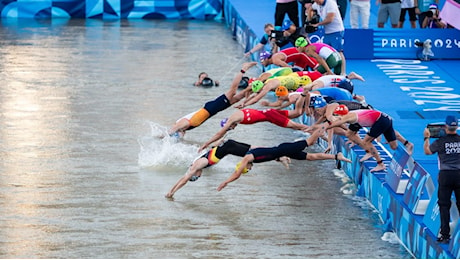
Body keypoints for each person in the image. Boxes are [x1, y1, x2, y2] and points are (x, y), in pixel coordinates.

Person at [216, 125, 352, 191]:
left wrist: (226, 182)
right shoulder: (252, 157)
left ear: (244, 166)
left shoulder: (247, 158)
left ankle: (326, 125)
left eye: (247, 169)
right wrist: (281, 159)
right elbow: (268, 153)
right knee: (311, 157)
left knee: (310, 141)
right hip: (282, 150)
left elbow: (237, 174)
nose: (250, 169)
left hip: (285, 149)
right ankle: (336, 156)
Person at [165, 138, 292, 198]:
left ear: (195, 174)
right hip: (228, 145)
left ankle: (281, 157)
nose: (200, 176)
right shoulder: (198, 164)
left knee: (255, 156)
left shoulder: (199, 164)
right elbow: (184, 177)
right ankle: (280, 157)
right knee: (256, 150)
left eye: (197, 177)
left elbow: (184, 179)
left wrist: (172, 192)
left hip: (229, 148)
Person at [169, 62, 257, 136]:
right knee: (239, 97)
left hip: (209, 109)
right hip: (212, 110)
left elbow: (173, 130)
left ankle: (243, 69)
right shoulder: (185, 127)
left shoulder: (181, 123)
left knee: (232, 91)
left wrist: (167, 135)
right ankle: (257, 85)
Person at [326, 109, 413, 172]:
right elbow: (349, 132)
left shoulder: (348, 117)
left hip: (381, 121)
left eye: (336, 116)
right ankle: (407, 144)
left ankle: (380, 164)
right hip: (384, 118)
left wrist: (324, 127)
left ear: (340, 115)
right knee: (349, 134)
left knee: (366, 142)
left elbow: (337, 123)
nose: (335, 118)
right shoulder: (351, 116)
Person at [199, 107, 309, 152]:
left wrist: (206, 144)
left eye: (229, 128)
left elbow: (220, 134)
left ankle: (316, 131)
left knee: (296, 126)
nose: (233, 128)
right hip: (269, 111)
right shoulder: (236, 116)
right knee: (295, 114)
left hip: (271, 116)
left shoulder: (232, 120)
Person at [423, 115, 460, 244]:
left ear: (445, 127)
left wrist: (426, 138)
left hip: (445, 175)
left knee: (444, 206)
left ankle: (445, 235)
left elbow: (427, 152)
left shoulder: (441, 141)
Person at [309, 0, 346, 73]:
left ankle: (342, 72)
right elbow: (310, 8)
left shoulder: (330, 3)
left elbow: (330, 19)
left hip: (336, 31)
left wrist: (318, 24)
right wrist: (310, 19)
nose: (316, 3)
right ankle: (326, 72)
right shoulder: (317, 4)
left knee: (338, 52)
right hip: (327, 32)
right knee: (326, 53)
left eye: (317, 1)